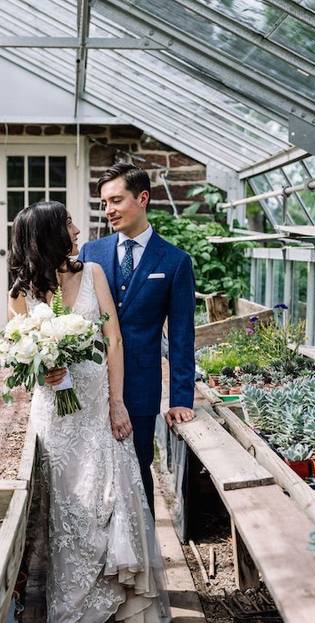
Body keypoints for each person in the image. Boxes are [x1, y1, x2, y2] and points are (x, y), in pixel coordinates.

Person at [7, 200, 171, 623]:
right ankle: (68, 605)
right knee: (66, 509)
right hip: (56, 419)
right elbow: (19, 365)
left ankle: (113, 596)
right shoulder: (21, 295)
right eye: (67, 223)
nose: (78, 229)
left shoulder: (93, 274)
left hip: (98, 409)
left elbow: (113, 341)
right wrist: (43, 369)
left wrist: (117, 404)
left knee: (109, 498)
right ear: (48, 235)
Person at [78, 162, 196, 514]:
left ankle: (142, 548)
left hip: (142, 388)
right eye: (104, 203)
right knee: (94, 469)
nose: (108, 210)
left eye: (116, 200)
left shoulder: (175, 262)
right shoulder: (90, 253)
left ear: (142, 198)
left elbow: (180, 336)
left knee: (138, 468)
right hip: (92, 383)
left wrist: (181, 398)